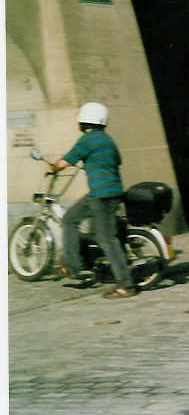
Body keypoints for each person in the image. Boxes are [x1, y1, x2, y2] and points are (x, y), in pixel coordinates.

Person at [50, 102, 136, 299]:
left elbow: (65, 161)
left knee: (106, 239)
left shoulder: (87, 140)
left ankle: (126, 285)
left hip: (102, 196)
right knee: (70, 219)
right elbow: (117, 160)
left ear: (83, 121)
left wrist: (51, 168)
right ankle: (72, 266)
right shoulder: (108, 139)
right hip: (106, 193)